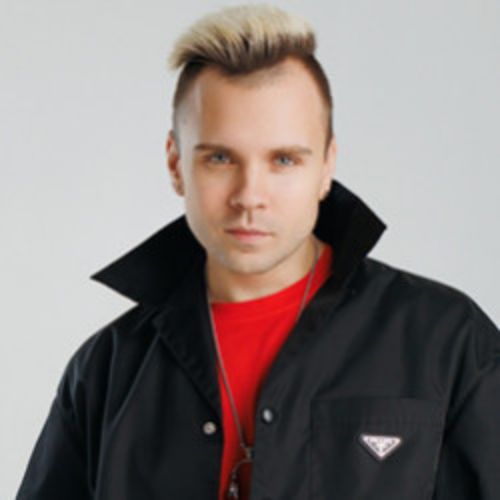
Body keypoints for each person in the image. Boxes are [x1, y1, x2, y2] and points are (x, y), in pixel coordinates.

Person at [16, 4, 499, 500]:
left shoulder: (450, 344)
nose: (250, 195)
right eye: (220, 158)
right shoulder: (106, 372)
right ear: (176, 164)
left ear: (326, 166)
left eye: (283, 160)